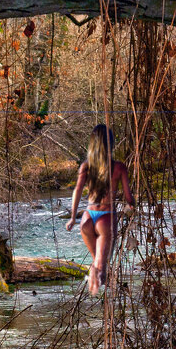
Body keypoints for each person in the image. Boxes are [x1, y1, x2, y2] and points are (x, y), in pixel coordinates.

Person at [65, 123, 135, 296]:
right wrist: (131, 205)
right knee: (101, 267)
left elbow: (77, 191)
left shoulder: (86, 166)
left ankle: (93, 278)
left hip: (87, 217)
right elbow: (128, 197)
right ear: (111, 144)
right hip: (106, 217)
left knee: (96, 259)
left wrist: (73, 217)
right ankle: (97, 281)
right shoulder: (118, 167)